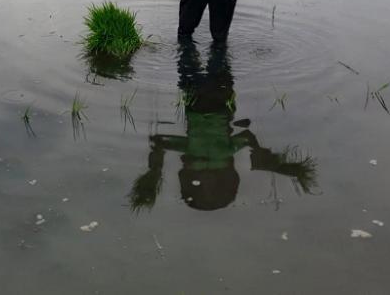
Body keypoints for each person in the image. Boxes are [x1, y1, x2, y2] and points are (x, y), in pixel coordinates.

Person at [128, 40, 318, 212]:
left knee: (208, 56)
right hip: (203, 100)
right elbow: (160, 141)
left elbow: (247, 136)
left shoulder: (224, 151)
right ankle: (210, 44)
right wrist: (155, 166)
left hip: (213, 101)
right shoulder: (202, 151)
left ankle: (208, 45)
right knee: (204, 56)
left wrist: (258, 151)